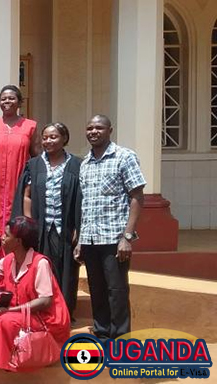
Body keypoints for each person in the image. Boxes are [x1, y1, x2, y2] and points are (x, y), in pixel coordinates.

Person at [76, 114, 145, 341]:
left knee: (116, 291)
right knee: (96, 290)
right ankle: (103, 335)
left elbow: (137, 196)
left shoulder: (124, 157)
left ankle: (122, 340)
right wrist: (80, 240)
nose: (93, 131)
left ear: (109, 130)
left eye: (98, 127)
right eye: (89, 128)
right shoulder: (85, 163)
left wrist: (127, 237)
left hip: (114, 240)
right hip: (91, 239)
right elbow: (86, 204)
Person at [0, 216, 71, 372]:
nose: (2, 238)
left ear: (19, 241)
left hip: (45, 318)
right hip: (23, 314)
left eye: (7, 235)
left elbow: (45, 302)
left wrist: (10, 310)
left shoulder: (40, 263)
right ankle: (3, 358)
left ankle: (5, 363)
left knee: (6, 320)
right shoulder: (8, 260)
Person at [12, 122, 82, 320]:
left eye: (54, 137)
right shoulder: (34, 165)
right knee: (42, 268)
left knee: (67, 269)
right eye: (45, 137)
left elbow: (82, 198)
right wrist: (29, 225)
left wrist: (78, 226)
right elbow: (26, 195)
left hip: (65, 226)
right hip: (41, 227)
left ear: (64, 139)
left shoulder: (76, 164)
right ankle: (42, 310)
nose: (48, 141)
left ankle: (65, 312)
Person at [0, 85, 41, 232]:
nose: (7, 101)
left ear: (19, 102)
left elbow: (37, 156)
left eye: (11, 98)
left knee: (17, 222)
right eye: (3, 99)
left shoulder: (30, 126)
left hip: (19, 182)